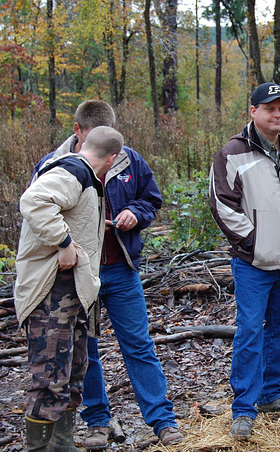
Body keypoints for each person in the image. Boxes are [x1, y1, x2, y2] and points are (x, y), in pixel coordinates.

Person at [33, 100, 182, 449]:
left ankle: (162, 421)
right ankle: (97, 422)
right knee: (86, 350)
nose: (101, 154)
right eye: (90, 142)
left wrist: (134, 212)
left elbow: (151, 198)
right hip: (78, 274)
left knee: (139, 344)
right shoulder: (53, 165)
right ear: (77, 132)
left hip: (121, 269)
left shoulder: (128, 158)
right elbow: (38, 213)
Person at [209, 82, 280, 440]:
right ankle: (243, 408)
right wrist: (256, 242)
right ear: (253, 111)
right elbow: (221, 205)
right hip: (254, 263)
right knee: (249, 331)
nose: (278, 114)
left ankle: (271, 395)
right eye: (270, 108)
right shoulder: (233, 153)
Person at [15, 126, 122, 451]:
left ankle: (63, 444)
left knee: (73, 372)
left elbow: (63, 208)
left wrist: (86, 222)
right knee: (50, 377)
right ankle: (38, 447)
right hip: (51, 293)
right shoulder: (72, 169)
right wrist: (63, 242)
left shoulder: (84, 175)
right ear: (113, 158)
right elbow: (34, 200)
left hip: (72, 293)